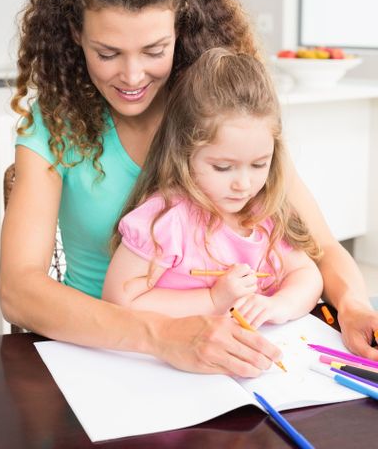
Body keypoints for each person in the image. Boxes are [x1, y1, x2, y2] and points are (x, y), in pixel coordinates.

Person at [0, 0, 378, 375]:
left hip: (226, 351)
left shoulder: (214, 113)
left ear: (182, 29)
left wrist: (355, 305)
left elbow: (319, 246)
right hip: (101, 354)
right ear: (76, 35)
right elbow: (18, 290)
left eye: (155, 51)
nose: (133, 76)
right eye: (108, 53)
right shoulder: (55, 121)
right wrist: (160, 336)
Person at [102, 48, 323, 326]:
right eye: (223, 167)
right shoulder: (165, 220)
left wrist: (279, 305)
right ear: (184, 152)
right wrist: (212, 300)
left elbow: (306, 274)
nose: (243, 185)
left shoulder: (265, 211)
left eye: (258, 165)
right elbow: (118, 302)